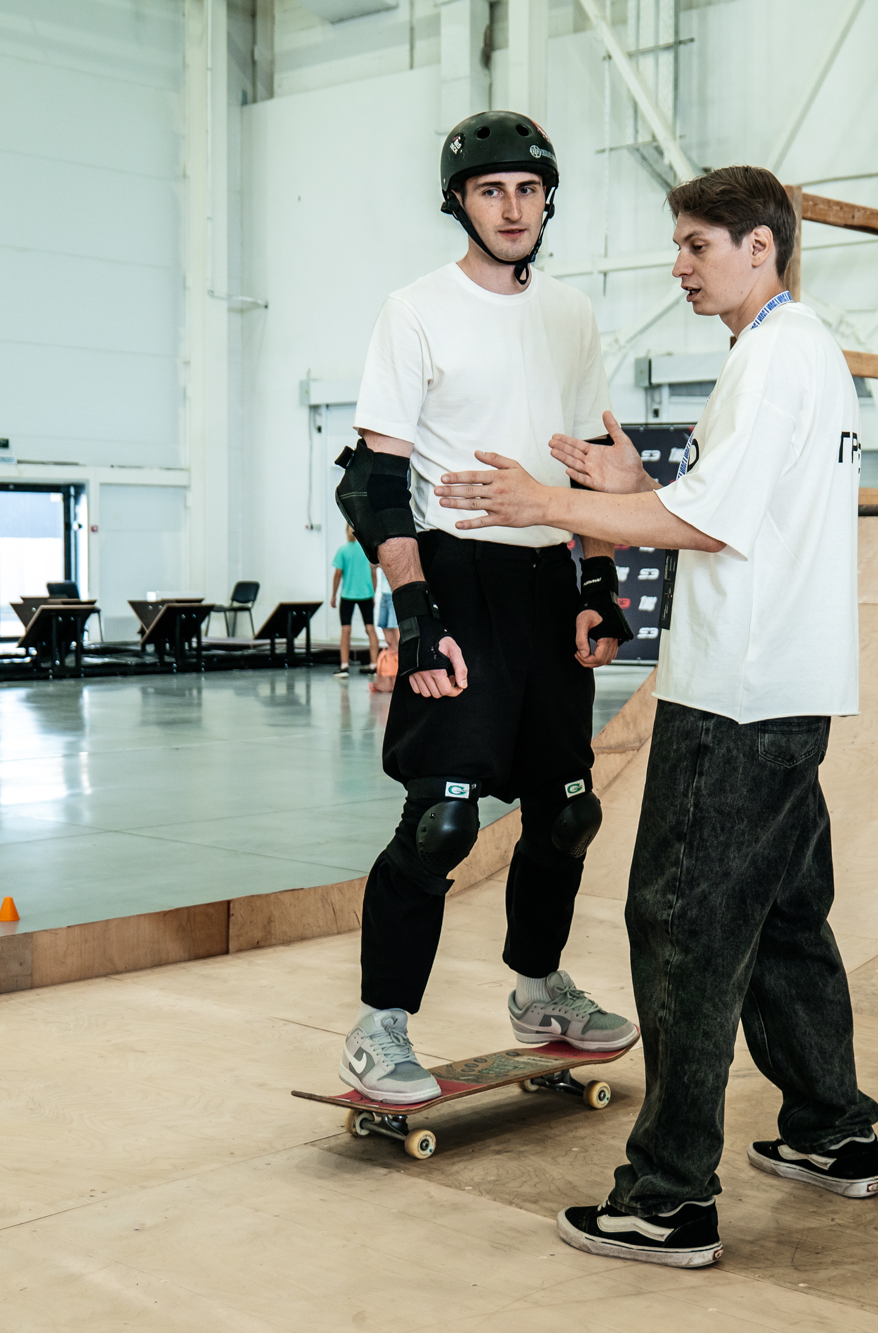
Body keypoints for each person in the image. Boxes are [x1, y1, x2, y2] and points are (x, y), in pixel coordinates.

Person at [434, 165, 878, 1268]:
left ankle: (669, 1196)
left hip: (734, 695)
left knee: (681, 924)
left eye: (695, 245)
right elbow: (734, 503)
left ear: (759, 246)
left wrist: (544, 502)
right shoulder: (797, 350)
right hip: (791, 688)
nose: (677, 266)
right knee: (783, 917)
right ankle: (831, 1127)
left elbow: (707, 524)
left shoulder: (772, 356)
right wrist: (631, 481)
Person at [329, 110, 640, 1105]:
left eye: (527, 189)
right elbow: (374, 485)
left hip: (547, 577)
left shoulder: (571, 316)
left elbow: (589, 471)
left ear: (548, 199)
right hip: (456, 579)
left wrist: (596, 584)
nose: (511, 208)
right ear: (459, 202)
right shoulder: (415, 310)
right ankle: (379, 1026)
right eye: (489, 190)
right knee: (442, 821)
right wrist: (417, 614)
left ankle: (540, 992)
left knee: (567, 810)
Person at [330, 528, 379, 677]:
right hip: (366, 594)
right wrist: (373, 594)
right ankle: (374, 665)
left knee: (345, 630)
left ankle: (344, 666)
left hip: (347, 595)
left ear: (347, 531)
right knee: (370, 629)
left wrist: (333, 595)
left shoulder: (343, 550)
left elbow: (338, 574)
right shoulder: (367, 551)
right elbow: (374, 574)